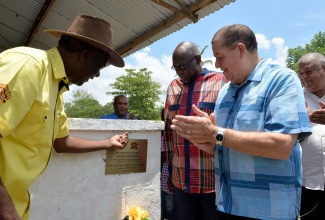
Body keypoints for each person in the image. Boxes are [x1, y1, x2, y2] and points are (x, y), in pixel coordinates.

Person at [170, 24, 312, 219]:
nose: (217, 65)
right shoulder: (226, 91)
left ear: (240, 49)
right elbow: (225, 143)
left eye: (220, 57)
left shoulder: (281, 80)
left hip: (269, 212)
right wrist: (209, 142)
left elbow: (282, 146)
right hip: (228, 206)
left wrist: (215, 133)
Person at [0, 14, 129, 220]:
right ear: (85, 55)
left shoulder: (56, 88)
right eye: (100, 66)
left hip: (15, 204)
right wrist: (7, 213)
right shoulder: (29, 66)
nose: (97, 75)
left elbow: (62, 142)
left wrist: (108, 142)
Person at [164, 41, 226, 220]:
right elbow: (169, 133)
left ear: (197, 59)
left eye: (182, 66)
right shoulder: (172, 87)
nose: (179, 72)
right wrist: (169, 171)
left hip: (212, 182)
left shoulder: (221, 82)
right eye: (175, 68)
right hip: (180, 180)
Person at [298, 52, 325, 219]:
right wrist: (302, 124)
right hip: (308, 186)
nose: (303, 77)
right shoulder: (296, 99)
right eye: (301, 74)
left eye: (308, 72)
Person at [161, 108, 178, 220]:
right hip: (168, 175)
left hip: (180, 180)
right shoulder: (164, 137)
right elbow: (163, 157)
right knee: (170, 209)